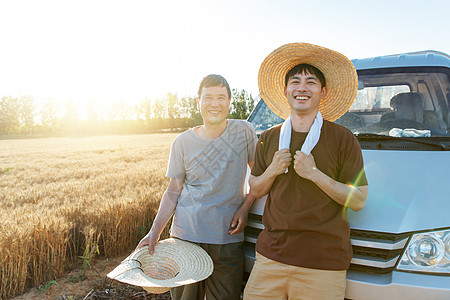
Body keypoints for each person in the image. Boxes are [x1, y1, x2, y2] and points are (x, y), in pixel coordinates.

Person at [243, 43, 369, 300]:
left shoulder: (343, 139)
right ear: (286, 91)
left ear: (323, 92)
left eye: (311, 82)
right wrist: (273, 171)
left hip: (322, 263)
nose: (302, 87)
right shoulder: (269, 137)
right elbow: (255, 188)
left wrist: (315, 174)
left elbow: (358, 200)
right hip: (270, 258)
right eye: (295, 81)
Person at [136, 74, 257, 300]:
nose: (215, 103)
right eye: (208, 97)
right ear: (198, 102)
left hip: (227, 238)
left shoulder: (244, 131)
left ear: (230, 102)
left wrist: (245, 207)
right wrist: (154, 232)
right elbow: (173, 191)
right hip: (186, 237)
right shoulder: (182, 142)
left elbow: (257, 176)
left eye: (221, 97)